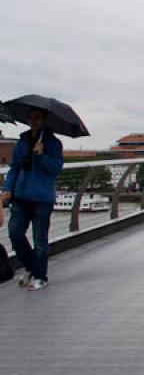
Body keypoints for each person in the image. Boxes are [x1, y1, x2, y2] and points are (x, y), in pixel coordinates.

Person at [1, 108, 64, 291]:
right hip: (21, 196)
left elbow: (56, 170)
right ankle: (31, 267)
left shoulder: (53, 143)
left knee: (40, 240)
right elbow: (15, 167)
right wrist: (7, 189)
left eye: (37, 118)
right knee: (15, 233)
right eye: (30, 117)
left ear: (44, 120)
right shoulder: (22, 142)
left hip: (42, 198)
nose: (33, 121)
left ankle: (40, 276)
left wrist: (42, 155)